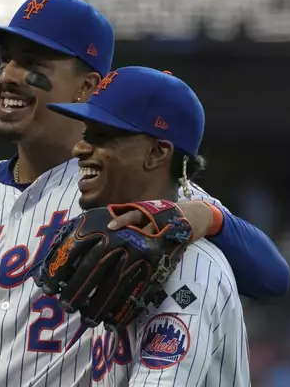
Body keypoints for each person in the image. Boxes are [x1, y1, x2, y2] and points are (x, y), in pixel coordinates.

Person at [0, 0, 286, 385]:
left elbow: (270, 277)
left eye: (31, 63)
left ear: (88, 86)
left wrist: (207, 216)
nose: (8, 75)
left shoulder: (125, 191)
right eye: (4, 59)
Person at [48, 66, 249, 385]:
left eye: (101, 136)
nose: (79, 148)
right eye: (86, 133)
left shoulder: (190, 270)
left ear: (157, 153)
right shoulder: (123, 251)